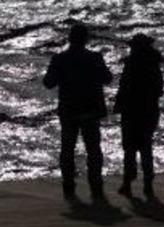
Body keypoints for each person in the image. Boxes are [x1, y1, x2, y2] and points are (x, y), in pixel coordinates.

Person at [43, 23, 112, 200]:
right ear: (86, 39)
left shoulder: (59, 59)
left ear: (69, 38)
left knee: (67, 148)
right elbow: (107, 79)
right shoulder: (95, 58)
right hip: (90, 109)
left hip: (69, 110)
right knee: (93, 148)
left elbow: (49, 83)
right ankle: (96, 184)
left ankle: (68, 184)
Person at [113, 33, 164, 197]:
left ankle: (128, 182)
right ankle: (147, 183)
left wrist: (119, 105)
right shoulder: (154, 65)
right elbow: (158, 91)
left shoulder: (131, 65)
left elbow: (124, 88)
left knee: (129, 149)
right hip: (149, 111)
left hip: (131, 112)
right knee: (146, 147)